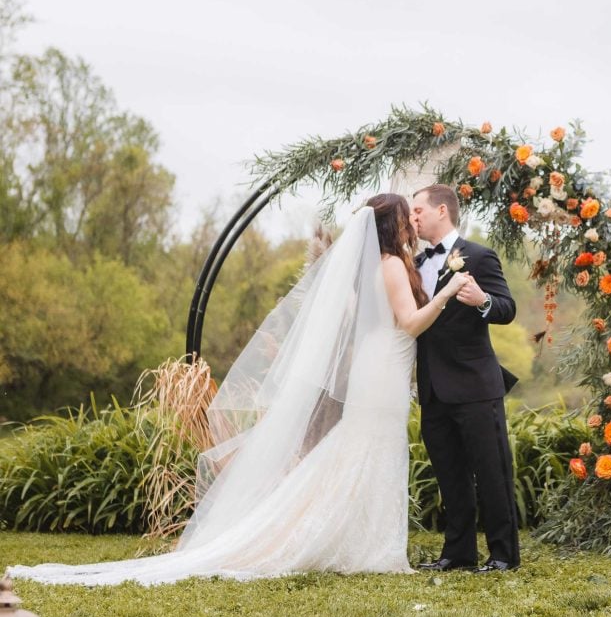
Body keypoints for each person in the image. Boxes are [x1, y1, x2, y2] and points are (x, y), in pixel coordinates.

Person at [7, 193, 469, 586]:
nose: (413, 222)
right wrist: (448, 294)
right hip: (381, 373)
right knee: (366, 450)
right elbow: (408, 323)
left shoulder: (386, 265)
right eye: (407, 216)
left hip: (382, 369)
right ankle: (361, 545)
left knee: (367, 451)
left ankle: (363, 541)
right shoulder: (390, 266)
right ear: (392, 226)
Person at [410, 184, 520, 573]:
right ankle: (458, 554)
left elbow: (507, 308)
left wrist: (482, 301)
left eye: (418, 210)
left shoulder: (479, 256)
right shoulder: (415, 262)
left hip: (475, 386)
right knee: (451, 475)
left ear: (443, 210)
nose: (414, 217)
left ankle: (504, 555)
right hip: (433, 388)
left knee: (492, 472)